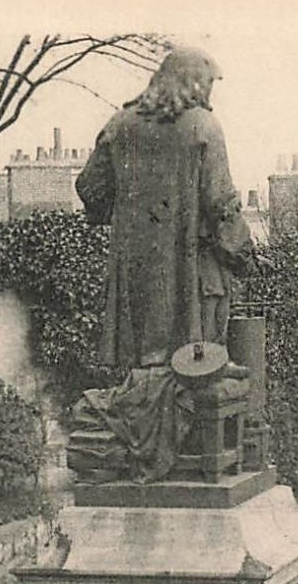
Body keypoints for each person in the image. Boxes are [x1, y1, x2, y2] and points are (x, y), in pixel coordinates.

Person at [69, 46, 255, 483]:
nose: (210, 94)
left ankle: (147, 441)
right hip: (191, 271)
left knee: (145, 357)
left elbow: (90, 188)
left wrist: (127, 214)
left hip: (136, 269)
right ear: (192, 81)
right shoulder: (202, 126)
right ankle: (185, 449)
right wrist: (242, 249)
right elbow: (220, 201)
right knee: (196, 358)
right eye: (208, 83)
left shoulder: (121, 123)